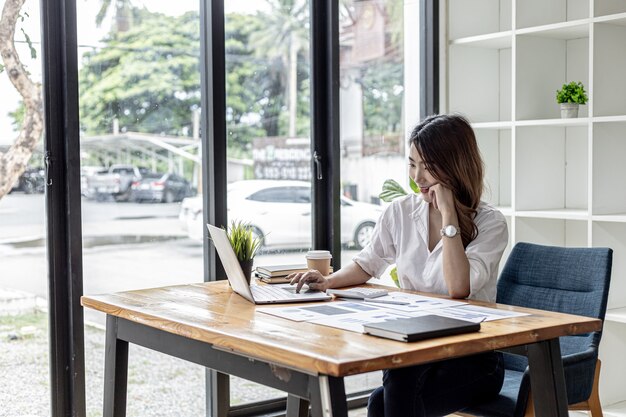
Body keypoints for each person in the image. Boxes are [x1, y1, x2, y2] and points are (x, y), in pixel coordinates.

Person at [289, 113, 509, 417]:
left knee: (387, 396)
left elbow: (459, 288)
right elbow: (368, 264)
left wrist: (448, 215)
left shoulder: (490, 223)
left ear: (456, 166)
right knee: (387, 393)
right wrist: (327, 282)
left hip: (472, 359)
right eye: (412, 164)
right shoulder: (400, 212)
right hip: (415, 348)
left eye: (428, 167)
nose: (417, 177)